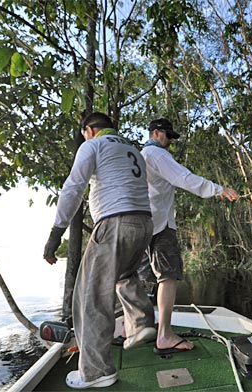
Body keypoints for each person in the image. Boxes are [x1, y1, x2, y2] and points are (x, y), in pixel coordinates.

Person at [43, 112, 157, 389]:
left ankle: (96, 371)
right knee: (124, 276)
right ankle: (142, 323)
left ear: (90, 130)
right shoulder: (132, 149)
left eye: (83, 134)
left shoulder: (93, 145)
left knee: (90, 296)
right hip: (143, 224)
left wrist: (55, 234)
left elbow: (73, 187)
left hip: (114, 223)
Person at [141, 118, 240, 355]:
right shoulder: (156, 154)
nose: (170, 141)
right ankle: (164, 335)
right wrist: (219, 189)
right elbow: (184, 178)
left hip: (142, 224)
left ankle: (137, 326)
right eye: (168, 136)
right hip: (160, 224)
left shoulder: (139, 156)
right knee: (168, 276)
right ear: (156, 133)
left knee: (142, 278)